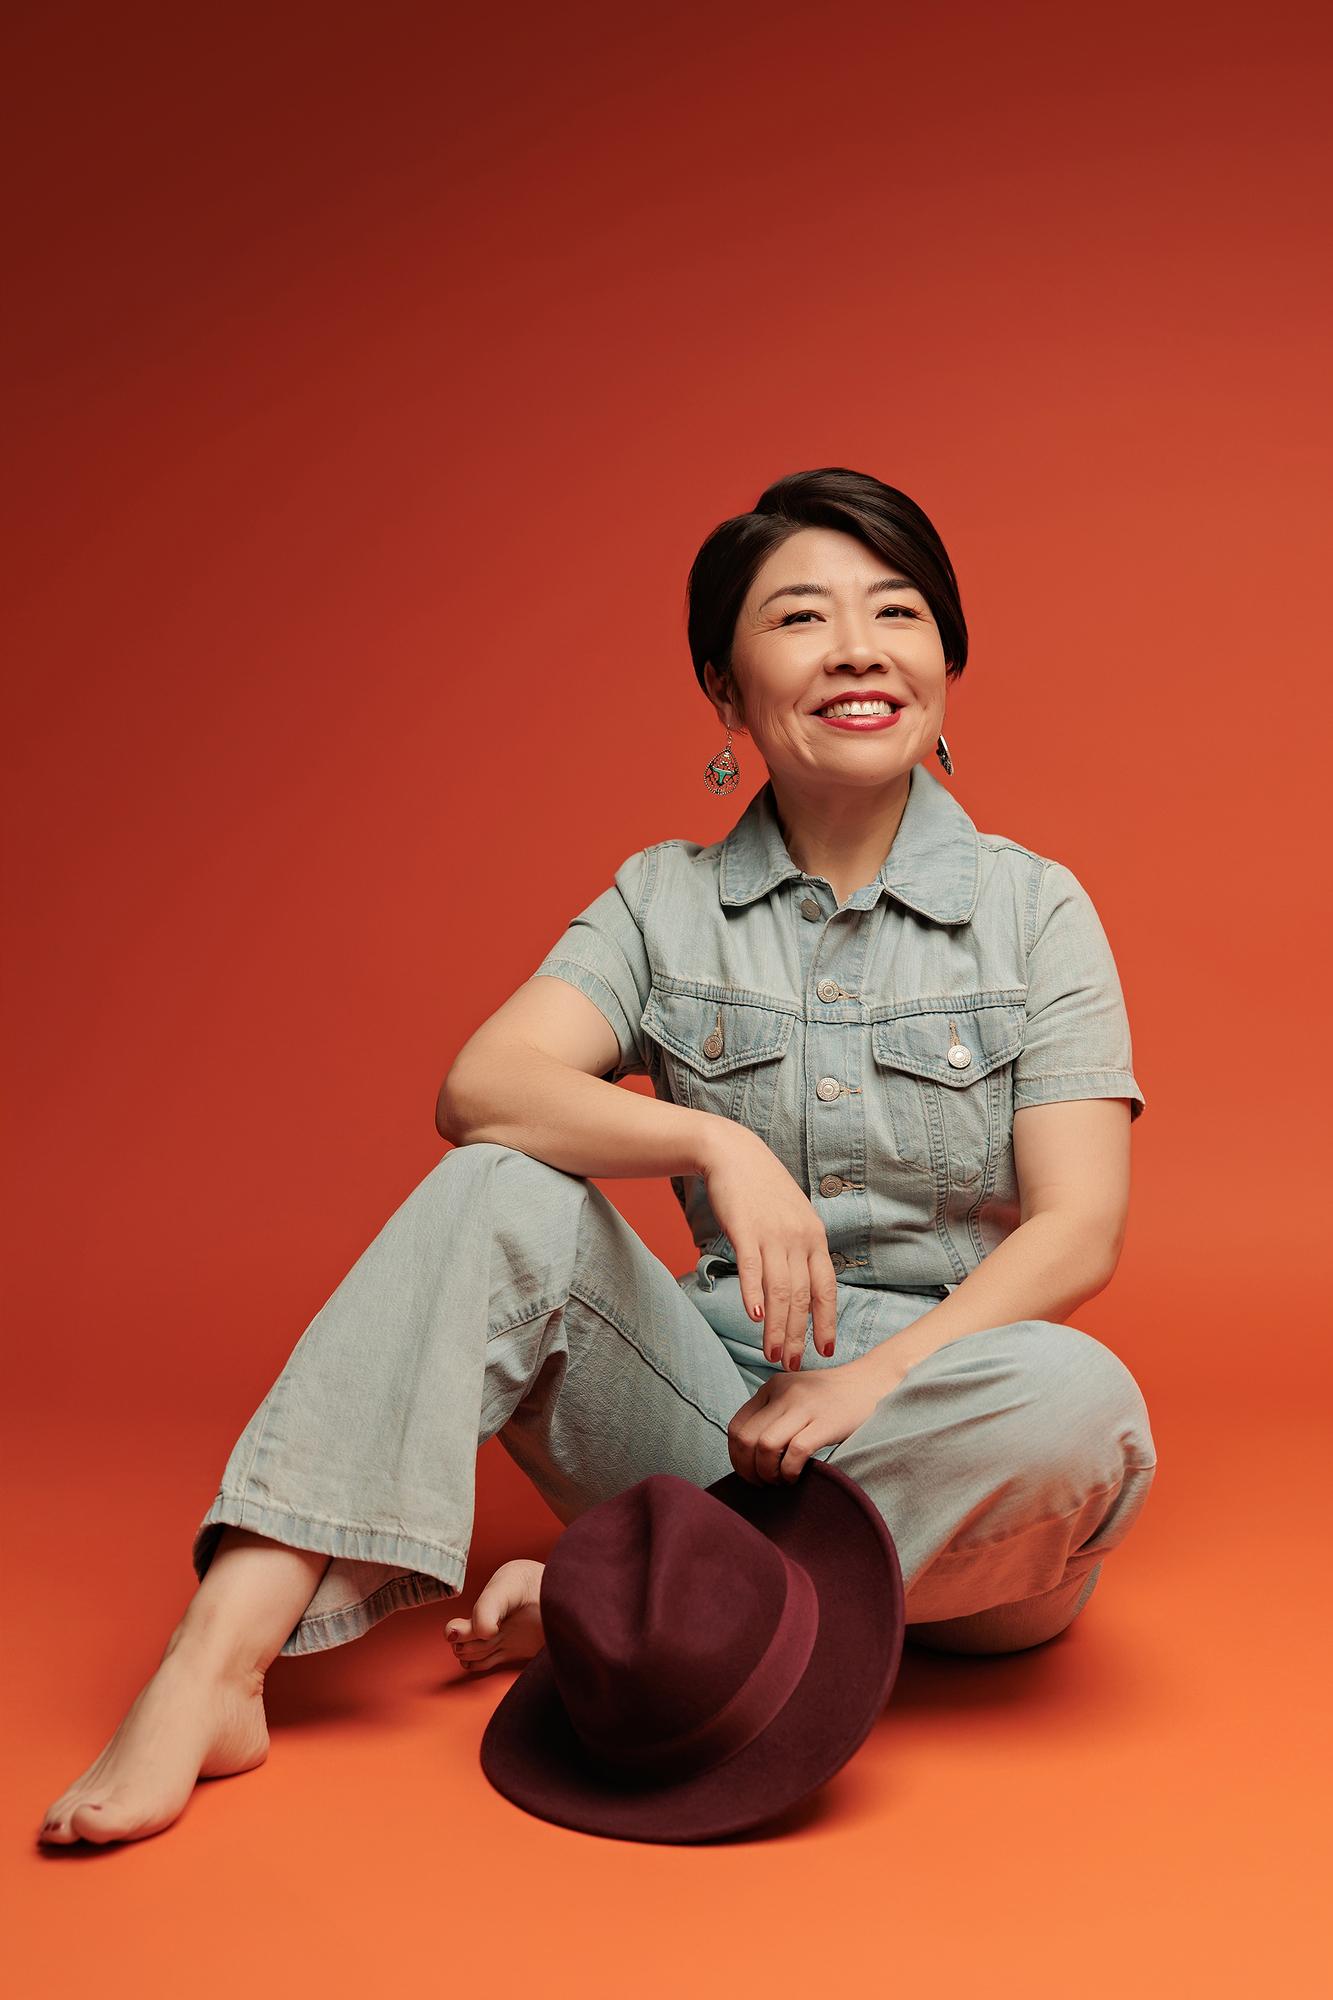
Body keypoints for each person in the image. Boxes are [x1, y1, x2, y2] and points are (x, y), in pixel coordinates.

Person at [38, 466, 1158, 1848]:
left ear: (944, 662)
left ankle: (618, 1603)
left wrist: (867, 1381)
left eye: (898, 612)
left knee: (1080, 1401)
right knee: (496, 1185)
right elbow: (479, 1088)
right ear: (722, 689)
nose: (858, 648)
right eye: (801, 617)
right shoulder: (661, 902)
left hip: (951, 1460)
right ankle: (217, 1663)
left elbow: (1077, 1233)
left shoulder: (1037, 911)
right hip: (714, 1418)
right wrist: (711, 1139)